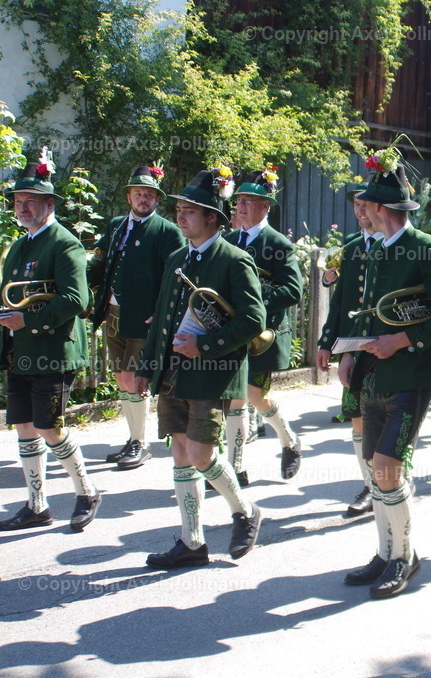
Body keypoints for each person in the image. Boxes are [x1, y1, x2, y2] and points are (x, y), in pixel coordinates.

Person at [340, 150, 431, 598]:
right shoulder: (375, 249)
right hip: (371, 374)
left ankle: (405, 557)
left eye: (366, 206)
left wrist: (402, 340)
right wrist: (348, 352)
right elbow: (369, 311)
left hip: (411, 373)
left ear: (380, 208)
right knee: (376, 471)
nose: (361, 212)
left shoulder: (427, 248)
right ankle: (385, 551)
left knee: (389, 468)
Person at [135, 167, 265, 568]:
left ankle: (245, 511)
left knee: (200, 453)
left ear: (212, 217)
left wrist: (204, 346)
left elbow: (253, 321)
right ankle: (192, 542)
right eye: (179, 209)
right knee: (180, 451)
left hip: (211, 372)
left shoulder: (234, 260)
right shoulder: (178, 257)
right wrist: (146, 366)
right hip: (173, 371)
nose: (180, 216)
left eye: (189, 211)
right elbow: (163, 317)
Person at [0, 150, 102, 531]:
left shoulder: (64, 243)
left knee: (50, 428)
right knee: (24, 425)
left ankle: (87, 492)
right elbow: (9, 299)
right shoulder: (19, 246)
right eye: (18, 201)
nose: (22, 207)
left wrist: (28, 320)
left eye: (30, 201)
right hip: (20, 350)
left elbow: (77, 300)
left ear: (49, 204)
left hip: (53, 350)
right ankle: (37, 505)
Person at [88, 165, 184, 470]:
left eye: (149, 195)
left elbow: (177, 277)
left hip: (144, 318)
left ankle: (140, 443)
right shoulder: (116, 226)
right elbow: (100, 264)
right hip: (113, 313)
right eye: (138, 193)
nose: (143, 199)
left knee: (135, 379)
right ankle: (132, 438)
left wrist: (162, 312)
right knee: (121, 378)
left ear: (157, 199)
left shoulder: (167, 231)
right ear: (128, 196)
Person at [224, 167, 304, 485]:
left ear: (265, 206)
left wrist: (253, 303)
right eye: (240, 200)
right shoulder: (229, 240)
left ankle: (289, 441)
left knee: (254, 395)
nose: (241, 206)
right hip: (232, 331)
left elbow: (293, 291)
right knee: (236, 397)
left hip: (263, 334)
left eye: (249, 200)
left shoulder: (278, 243)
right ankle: (236, 468)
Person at [316, 175, 383, 517]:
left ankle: (392, 481)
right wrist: (329, 343)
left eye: (366, 205)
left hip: (388, 347)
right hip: (354, 346)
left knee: (387, 419)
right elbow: (340, 300)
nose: (360, 211)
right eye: (357, 205)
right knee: (356, 416)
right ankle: (370, 486)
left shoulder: (399, 244)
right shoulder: (353, 246)